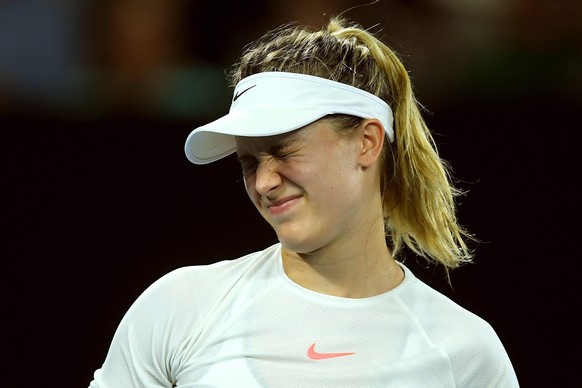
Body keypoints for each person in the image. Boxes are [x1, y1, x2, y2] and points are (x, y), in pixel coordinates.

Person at [89, 16, 519, 387]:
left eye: (283, 150)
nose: (263, 181)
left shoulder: (465, 353)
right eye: (248, 162)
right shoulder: (179, 308)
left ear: (367, 143)